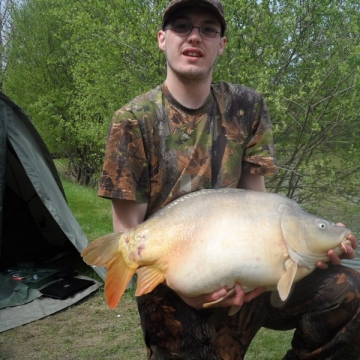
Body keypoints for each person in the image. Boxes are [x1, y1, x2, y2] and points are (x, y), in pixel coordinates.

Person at [98, 0, 360, 359]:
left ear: (221, 44)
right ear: (162, 38)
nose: (194, 37)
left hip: (248, 274)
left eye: (208, 29)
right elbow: (128, 230)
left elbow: (258, 204)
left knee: (349, 292)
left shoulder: (246, 106)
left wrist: (312, 242)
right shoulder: (133, 119)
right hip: (176, 292)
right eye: (182, 26)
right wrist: (185, 287)